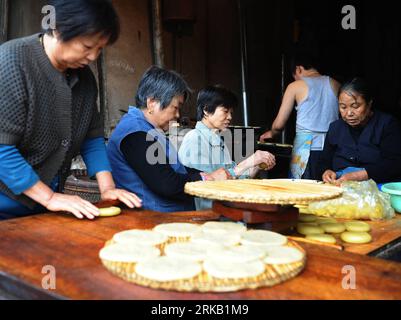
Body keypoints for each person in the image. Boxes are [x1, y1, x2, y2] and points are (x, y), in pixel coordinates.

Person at [0, 0, 142, 221]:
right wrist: (49, 198)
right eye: (87, 47)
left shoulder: (84, 79)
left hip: (43, 207)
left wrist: (107, 189)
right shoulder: (12, 62)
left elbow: (92, 138)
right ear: (58, 28)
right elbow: (2, 149)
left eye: (100, 49)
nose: (93, 57)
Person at [107, 67, 231, 213]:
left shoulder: (148, 129)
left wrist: (208, 175)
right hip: (153, 220)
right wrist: (206, 179)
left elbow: (175, 168)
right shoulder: (135, 133)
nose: (178, 115)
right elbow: (166, 184)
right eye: (175, 107)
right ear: (152, 103)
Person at [179, 85, 276, 210]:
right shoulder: (194, 139)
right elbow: (206, 184)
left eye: (231, 112)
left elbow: (234, 176)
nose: (230, 117)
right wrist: (248, 162)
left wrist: (257, 164)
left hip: (222, 208)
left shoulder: (218, 140)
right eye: (225, 111)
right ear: (206, 110)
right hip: (206, 213)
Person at [259, 52, 340, 180]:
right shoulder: (336, 84)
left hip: (305, 150)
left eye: (294, 75)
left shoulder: (295, 86)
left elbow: (279, 124)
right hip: (332, 147)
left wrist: (272, 133)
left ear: (298, 68)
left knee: (303, 192)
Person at [319, 78, 401, 186]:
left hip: (377, 186)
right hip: (340, 185)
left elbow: (395, 163)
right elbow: (325, 161)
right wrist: (327, 171)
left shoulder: (387, 124)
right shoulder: (335, 127)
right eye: (343, 107)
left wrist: (358, 176)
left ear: (369, 103)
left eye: (355, 106)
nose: (348, 113)